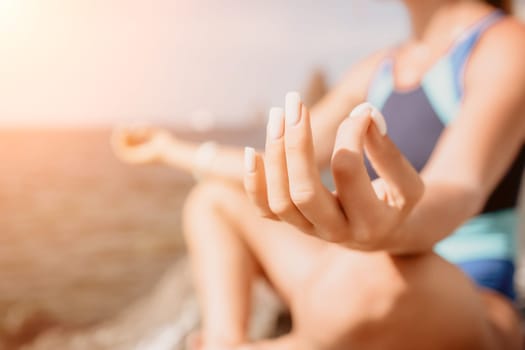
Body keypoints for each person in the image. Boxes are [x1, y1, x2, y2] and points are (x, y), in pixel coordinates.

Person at [112, 0, 525, 348]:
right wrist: (167, 149)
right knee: (216, 199)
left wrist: (391, 229)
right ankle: (225, 339)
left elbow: (459, 185)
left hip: (472, 298)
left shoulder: (505, 45)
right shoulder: (380, 67)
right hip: (357, 272)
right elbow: (278, 163)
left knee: (372, 277)